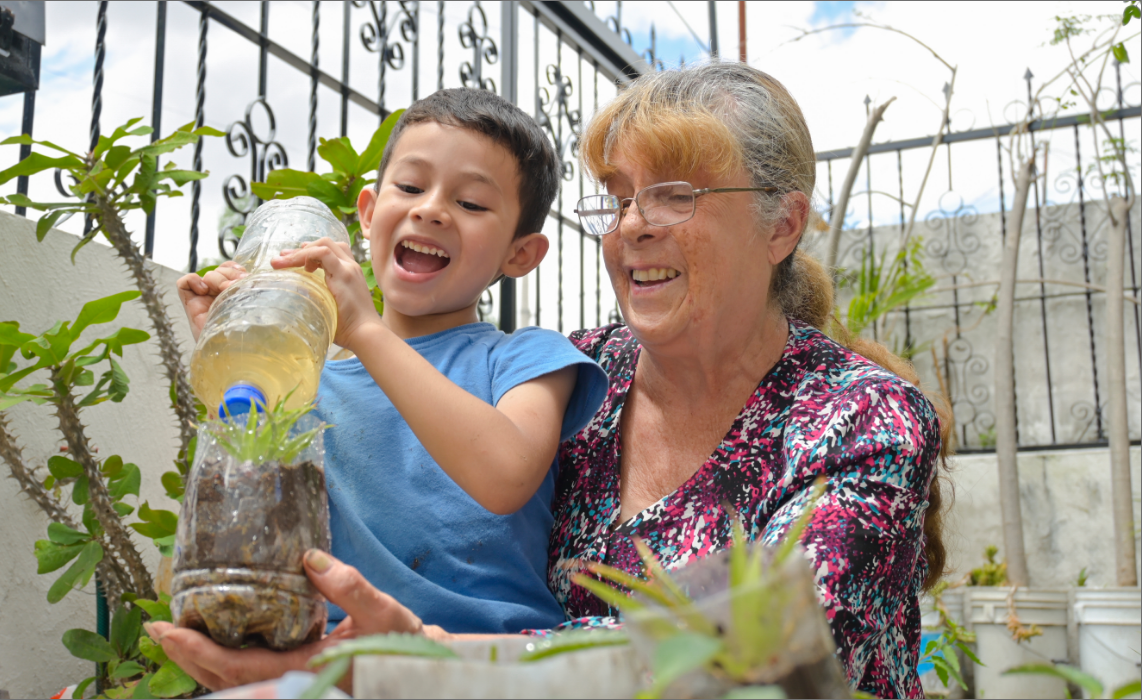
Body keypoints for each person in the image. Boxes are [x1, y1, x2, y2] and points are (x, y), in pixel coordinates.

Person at [152, 63, 947, 700]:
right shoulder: (590, 377)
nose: (633, 224)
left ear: (781, 225)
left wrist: (418, 663)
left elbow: (762, 651)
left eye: (675, 193)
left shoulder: (862, 417)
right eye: (619, 197)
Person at [165, 88, 608, 639]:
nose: (430, 209)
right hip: (323, 658)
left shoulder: (527, 358)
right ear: (370, 214)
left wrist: (366, 331)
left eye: (470, 203)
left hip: (485, 661)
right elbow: (244, 525)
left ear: (519, 254)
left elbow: (505, 473)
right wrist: (242, 369)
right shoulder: (307, 381)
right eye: (410, 186)